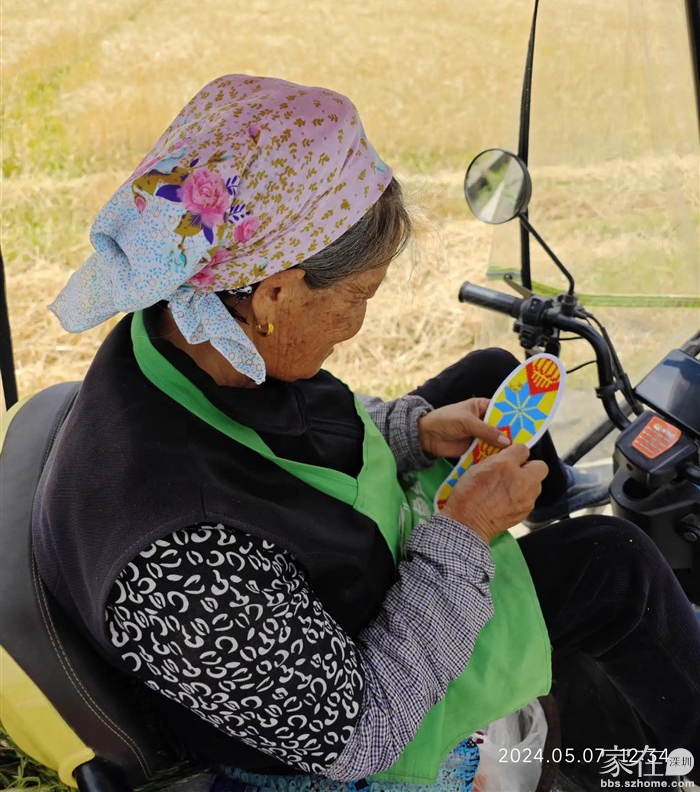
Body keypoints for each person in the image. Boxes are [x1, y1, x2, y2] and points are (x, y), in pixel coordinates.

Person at [33, 75, 700, 792]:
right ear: (277, 293)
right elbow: (362, 733)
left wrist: (412, 431)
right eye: (359, 296)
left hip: (324, 576)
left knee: (493, 372)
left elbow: (285, 437)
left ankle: (545, 508)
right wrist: (466, 533)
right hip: (355, 722)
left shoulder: (196, 324)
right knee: (615, 564)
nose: (358, 325)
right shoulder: (178, 561)